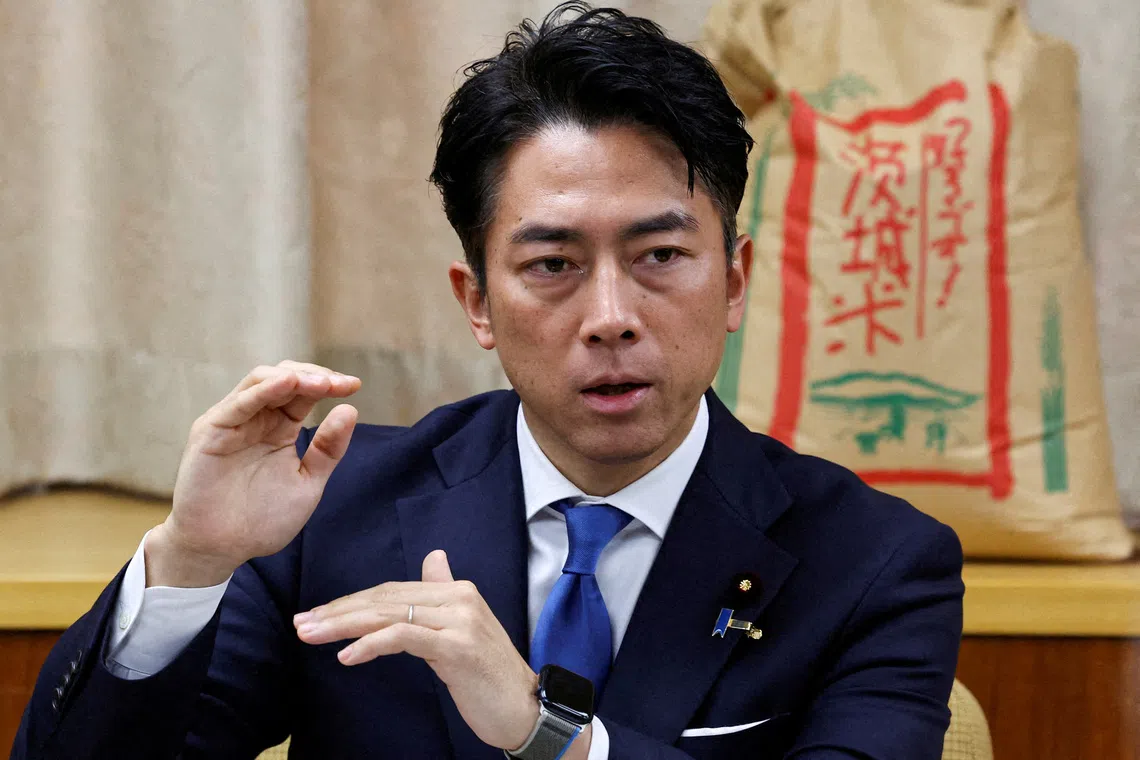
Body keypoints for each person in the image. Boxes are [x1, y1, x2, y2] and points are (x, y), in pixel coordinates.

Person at [11, 4, 963, 759]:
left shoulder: (877, 565)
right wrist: (189, 563)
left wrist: (547, 734)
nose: (611, 316)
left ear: (736, 281)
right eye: (552, 265)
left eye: (660, 256)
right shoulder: (325, 511)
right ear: (476, 302)